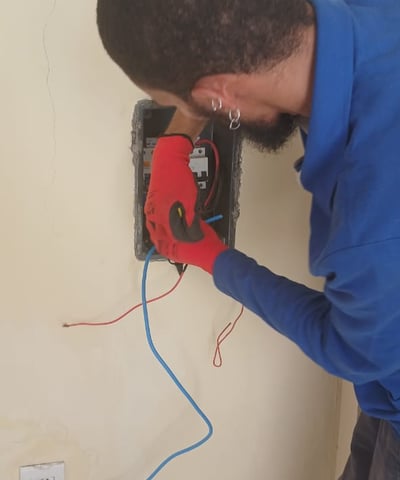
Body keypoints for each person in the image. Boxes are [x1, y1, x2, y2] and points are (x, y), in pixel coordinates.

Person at [96, 0, 400, 478]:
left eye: (183, 105)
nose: (185, 114)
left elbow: (351, 350)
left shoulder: (369, 228)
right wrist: (177, 141)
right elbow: (218, 52)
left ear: (220, 94)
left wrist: (212, 257)